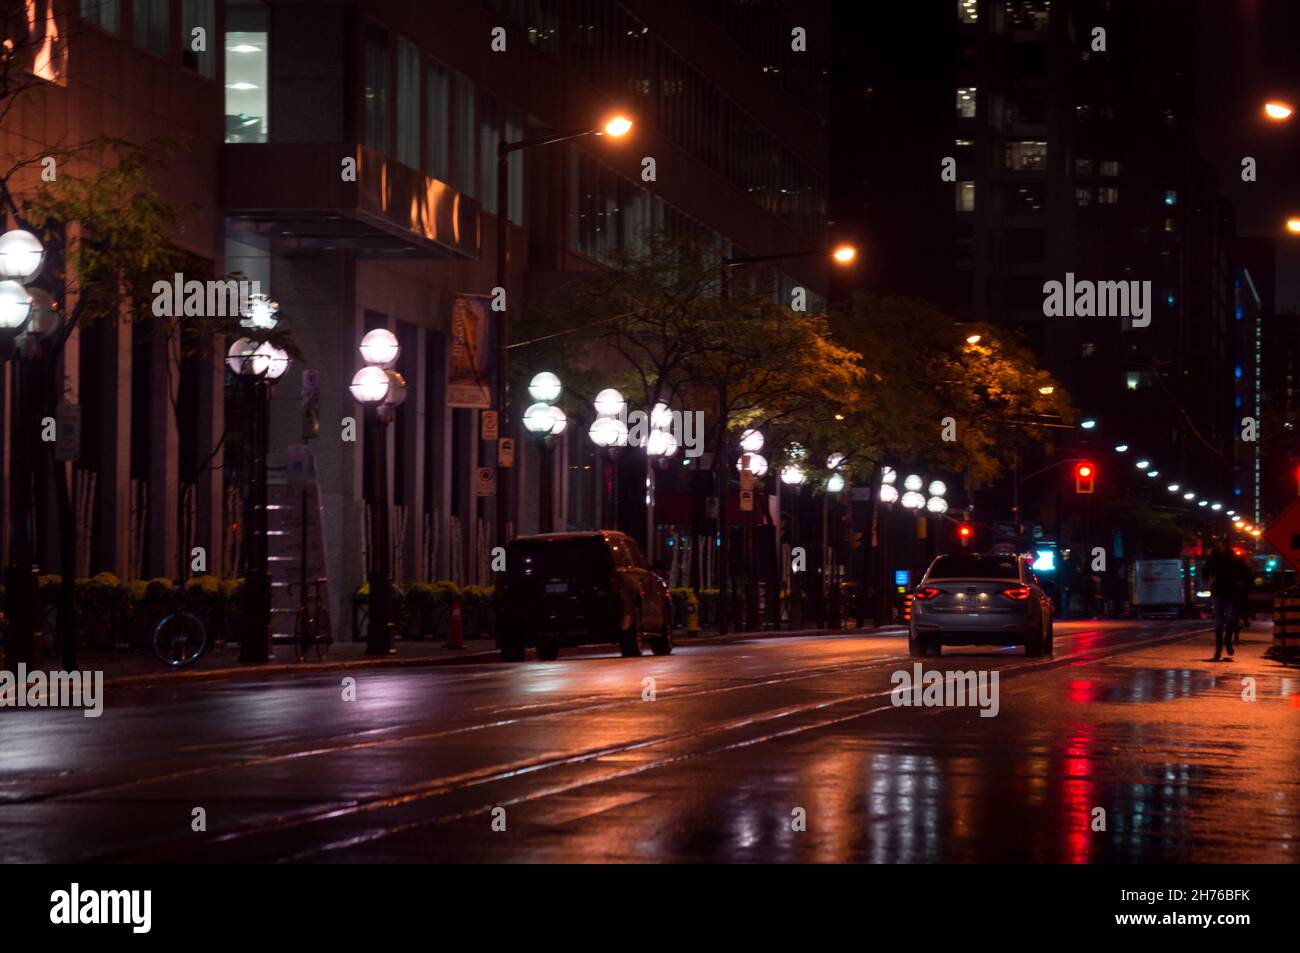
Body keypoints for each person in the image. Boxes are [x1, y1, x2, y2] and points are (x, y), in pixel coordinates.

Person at [1203, 539, 1244, 660]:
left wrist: (1240, 582)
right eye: (1221, 545)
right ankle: (1218, 651)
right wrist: (1209, 580)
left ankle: (1227, 640)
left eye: (1224, 545)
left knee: (1231, 621)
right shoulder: (1214, 558)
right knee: (1219, 623)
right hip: (1218, 592)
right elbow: (1205, 572)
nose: (1223, 547)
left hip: (1231, 592)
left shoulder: (1235, 559)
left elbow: (1244, 573)